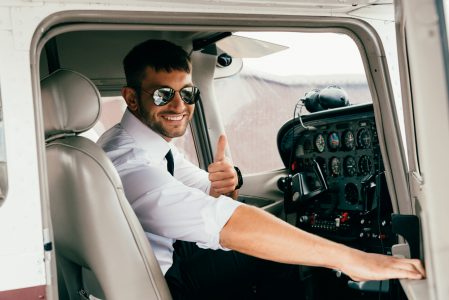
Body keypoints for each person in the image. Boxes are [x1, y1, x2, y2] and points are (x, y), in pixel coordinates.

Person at [97, 39, 425, 299]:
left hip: (163, 263)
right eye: (163, 94)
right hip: (165, 281)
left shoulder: (141, 143)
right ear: (131, 98)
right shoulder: (130, 165)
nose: (180, 106)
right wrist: (352, 259)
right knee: (280, 257)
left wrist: (226, 182)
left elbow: (204, 193)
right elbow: (224, 221)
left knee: (279, 241)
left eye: (187, 93)